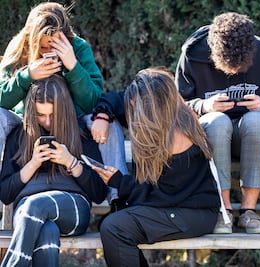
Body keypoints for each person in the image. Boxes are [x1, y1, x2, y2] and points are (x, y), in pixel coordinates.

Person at [88, 67, 221, 266]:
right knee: (117, 223)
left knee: (115, 227)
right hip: (173, 205)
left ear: (152, 105)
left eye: (135, 104)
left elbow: (160, 196)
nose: (131, 108)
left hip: (191, 212)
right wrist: (102, 116)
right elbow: (116, 99)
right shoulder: (161, 118)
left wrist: (118, 182)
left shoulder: (178, 136)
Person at [0, 2, 127, 208]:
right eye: (42, 47)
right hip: (26, 123)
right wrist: (27, 76)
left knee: (108, 123)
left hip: (73, 122)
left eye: (54, 46)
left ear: (67, 39)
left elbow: (95, 102)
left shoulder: (79, 48)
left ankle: (118, 198)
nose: (47, 52)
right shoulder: (18, 48)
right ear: (30, 40)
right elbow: (1, 99)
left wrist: (73, 67)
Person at [175, 12, 260, 234]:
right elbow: (177, 104)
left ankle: (248, 212)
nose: (234, 71)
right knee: (217, 121)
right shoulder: (193, 54)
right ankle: (223, 211)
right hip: (210, 135)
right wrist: (204, 106)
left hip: (251, 135)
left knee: (257, 120)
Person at [0, 75, 107, 267]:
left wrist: (71, 162)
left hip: (72, 208)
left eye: (53, 114)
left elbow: (99, 193)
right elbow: (5, 194)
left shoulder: (81, 133)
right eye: (41, 115)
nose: (47, 122)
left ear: (64, 109)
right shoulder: (19, 137)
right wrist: (32, 163)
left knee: (34, 205)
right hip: (27, 214)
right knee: (47, 231)